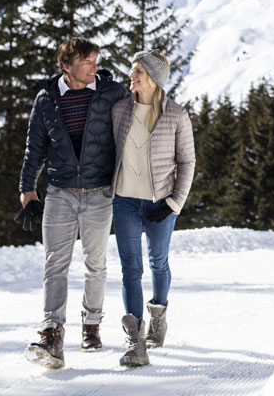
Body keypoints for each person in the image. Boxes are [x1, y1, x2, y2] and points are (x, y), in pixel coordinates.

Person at [19, 37, 127, 369]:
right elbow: (34, 146)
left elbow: (135, 133)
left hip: (99, 193)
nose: (95, 65)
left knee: (96, 263)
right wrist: (27, 188)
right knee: (55, 264)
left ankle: (91, 325)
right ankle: (52, 333)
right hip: (60, 192)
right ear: (67, 66)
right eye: (87, 61)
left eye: (96, 59)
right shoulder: (46, 99)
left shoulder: (113, 93)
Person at [111, 49, 196, 367]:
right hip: (124, 202)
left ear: (154, 77)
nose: (132, 75)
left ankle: (158, 316)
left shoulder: (176, 114)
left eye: (138, 72)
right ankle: (136, 342)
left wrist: (174, 203)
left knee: (158, 262)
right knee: (130, 270)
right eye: (132, 71)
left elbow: (188, 162)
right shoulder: (119, 110)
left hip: (161, 203)